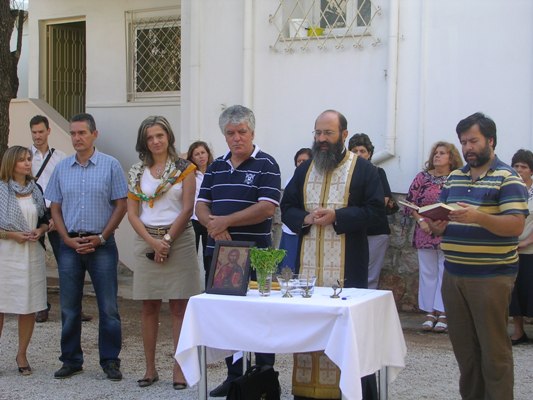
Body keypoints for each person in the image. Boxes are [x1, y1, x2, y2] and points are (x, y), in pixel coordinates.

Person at [281, 110, 385, 400]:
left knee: (351, 339)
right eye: (318, 133)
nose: (322, 139)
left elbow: (376, 212)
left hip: (347, 272)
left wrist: (338, 216)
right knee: (308, 335)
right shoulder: (305, 169)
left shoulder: (364, 170)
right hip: (308, 276)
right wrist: (305, 218)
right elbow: (286, 207)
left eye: (328, 133)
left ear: (344, 135)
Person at [428, 112, 528, 400]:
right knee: (466, 352)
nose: (468, 148)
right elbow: (444, 218)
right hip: (454, 275)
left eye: (473, 141)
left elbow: (516, 226)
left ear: (491, 141)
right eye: (463, 142)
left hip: (491, 277)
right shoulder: (454, 177)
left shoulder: (508, 178)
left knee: (494, 352)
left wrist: (478, 217)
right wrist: (436, 226)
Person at [195, 105, 281, 397]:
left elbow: (266, 208)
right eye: (230, 133)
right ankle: (234, 378)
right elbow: (201, 204)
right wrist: (213, 225)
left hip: (257, 255)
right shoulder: (216, 166)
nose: (236, 138)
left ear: (252, 132)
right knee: (228, 317)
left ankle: (264, 376)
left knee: (260, 316)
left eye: (242, 132)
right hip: (220, 254)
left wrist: (226, 221)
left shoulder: (267, 164)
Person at [45, 113, 128, 381]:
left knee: (108, 308)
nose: (77, 138)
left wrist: (102, 237)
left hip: (101, 245)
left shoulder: (111, 165)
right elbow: (55, 207)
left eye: (82, 133)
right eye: (73, 133)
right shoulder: (62, 167)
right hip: (70, 244)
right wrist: (65, 238)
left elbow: (121, 205)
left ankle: (110, 361)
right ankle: (71, 360)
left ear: (94, 134)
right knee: (69, 308)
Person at [127, 115, 201, 389]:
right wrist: (153, 242)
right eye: (150, 137)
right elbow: (132, 214)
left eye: (160, 135)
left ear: (168, 136)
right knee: (149, 305)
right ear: (143, 142)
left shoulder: (185, 168)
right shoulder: (136, 171)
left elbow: (188, 208)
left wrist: (167, 240)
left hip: (178, 240)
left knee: (180, 306)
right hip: (146, 239)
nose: (156, 141)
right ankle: (150, 368)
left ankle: (179, 369)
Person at [403, 141, 463, 332]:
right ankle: (429, 311)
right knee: (428, 272)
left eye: (442, 153)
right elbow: (410, 202)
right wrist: (421, 221)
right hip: (424, 230)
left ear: (451, 158)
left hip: (446, 229)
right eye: (436, 153)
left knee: (444, 271)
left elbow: (459, 203)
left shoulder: (457, 178)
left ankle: (443, 311)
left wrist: (443, 223)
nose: (437, 156)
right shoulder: (422, 177)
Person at [0, 146, 49, 376]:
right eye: (22, 160)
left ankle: (22, 354)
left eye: (29, 158)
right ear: (11, 163)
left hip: (31, 254)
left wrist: (40, 230)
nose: (28, 163)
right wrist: (12, 235)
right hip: (6, 255)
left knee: (27, 305)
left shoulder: (36, 189)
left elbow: (45, 220)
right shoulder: (1, 189)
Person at [29, 115, 67, 323]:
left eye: (40, 132)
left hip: (55, 211)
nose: (37, 136)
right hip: (33, 213)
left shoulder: (60, 157)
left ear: (48, 131)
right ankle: (40, 306)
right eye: (34, 132)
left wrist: (55, 215)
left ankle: (72, 308)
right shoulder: (25, 156)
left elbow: (65, 187)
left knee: (66, 261)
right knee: (35, 262)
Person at [348, 133, 392, 289]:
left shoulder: (377, 172)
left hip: (375, 231)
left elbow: (383, 199)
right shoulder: (344, 175)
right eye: (354, 151)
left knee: (370, 276)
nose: (358, 154)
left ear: (369, 153)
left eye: (362, 151)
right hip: (352, 230)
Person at [509, 148, 533, 345]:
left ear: (531, 170)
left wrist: (526, 242)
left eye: (523, 166)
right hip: (511, 249)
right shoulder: (510, 190)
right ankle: (518, 331)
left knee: (530, 289)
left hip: (530, 249)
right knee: (514, 292)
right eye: (516, 166)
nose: (519, 170)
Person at [278, 148, 312, 272]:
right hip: (290, 230)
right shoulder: (290, 180)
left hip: (308, 229)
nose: (301, 163)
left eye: (305, 161)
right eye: (299, 161)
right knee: (288, 269)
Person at [186, 140, 214, 285]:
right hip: (193, 219)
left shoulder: (215, 172)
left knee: (209, 255)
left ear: (208, 154)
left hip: (210, 219)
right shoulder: (190, 174)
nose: (201, 156)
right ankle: (191, 287)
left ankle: (210, 286)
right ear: (192, 158)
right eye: (196, 154)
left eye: (203, 152)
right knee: (192, 254)